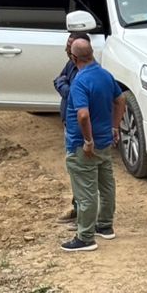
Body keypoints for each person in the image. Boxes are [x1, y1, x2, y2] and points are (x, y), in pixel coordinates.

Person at [61, 37, 125, 253]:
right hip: (105, 141)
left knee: (86, 191)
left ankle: (85, 237)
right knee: (106, 184)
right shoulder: (105, 75)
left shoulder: (80, 81)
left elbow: (82, 114)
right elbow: (120, 99)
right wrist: (115, 127)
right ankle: (105, 226)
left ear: (73, 57)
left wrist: (88, 141)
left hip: (83, 145)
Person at [52, 32, 89, 227]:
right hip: (69, 125)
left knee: (82, 174)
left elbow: (69, 92)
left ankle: (85, 217)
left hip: (79, 131)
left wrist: (62, 84)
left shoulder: (85, 73)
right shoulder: (71, 65)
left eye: (70, 47)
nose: (67, 50)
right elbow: (58, 80)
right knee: (75, 173)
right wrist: (62, 83)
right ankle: (77, 209)